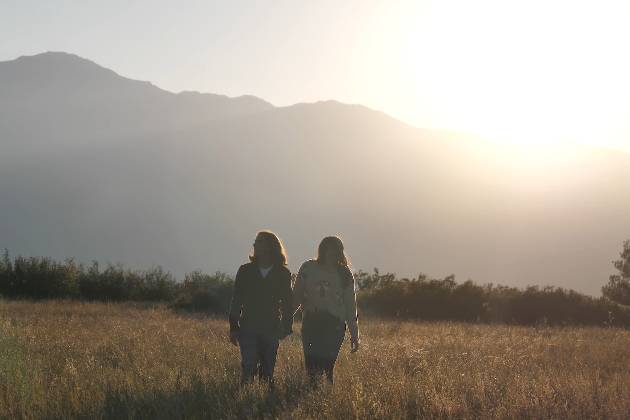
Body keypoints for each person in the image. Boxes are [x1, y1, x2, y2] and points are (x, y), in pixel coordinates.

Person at [228, 230, 293, 385]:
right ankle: (245, 399)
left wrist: (286, 327)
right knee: (249, 366)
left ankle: (265, 402)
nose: (254, 244)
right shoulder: (245, 271)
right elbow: (236, 299)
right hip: (248, 326)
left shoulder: (283, 273)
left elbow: (287, 303)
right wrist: (233, 326)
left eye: (259, 241)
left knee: (268, 370)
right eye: (256, 241)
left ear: (270, 246)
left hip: (271, 326)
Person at [293, 236, 360, 384]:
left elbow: (350, 305)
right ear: (322, 250)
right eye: (330, 250)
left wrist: (355, 334)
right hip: (312, 322)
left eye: (337, 250)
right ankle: (312, 398)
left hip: (334, 324)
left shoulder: (344, 274)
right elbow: (296, 296)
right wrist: (285, 318)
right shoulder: (308, 268)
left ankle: (327, 397)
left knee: (327, 367)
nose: (333, 254)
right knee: (311, 367)